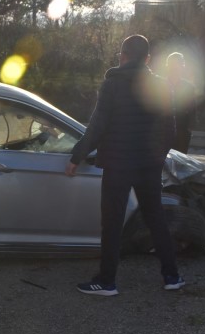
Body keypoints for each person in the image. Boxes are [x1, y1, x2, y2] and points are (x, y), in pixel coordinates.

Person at [65, 34, 184, 296]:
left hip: (118, 164)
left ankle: (107, 281)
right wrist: (157, 157)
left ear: (122, 56)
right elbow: (170, 130)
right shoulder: (162, 85)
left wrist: (76, 157)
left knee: (112, 222)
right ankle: (172, 276)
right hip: (149, 166)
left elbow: (97, 126)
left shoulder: (112, 85)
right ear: (148, 59)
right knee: (156, 219)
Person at [166, 52, 197, 153]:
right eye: (172, 65)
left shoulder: (189, 87)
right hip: (163, 132)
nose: (174, 68)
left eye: (177, 65)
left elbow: (192, 109)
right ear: (167, 66)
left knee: (180, 161)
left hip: (182, 133)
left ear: (182, 67)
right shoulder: (160, 85)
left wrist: (189, 129)